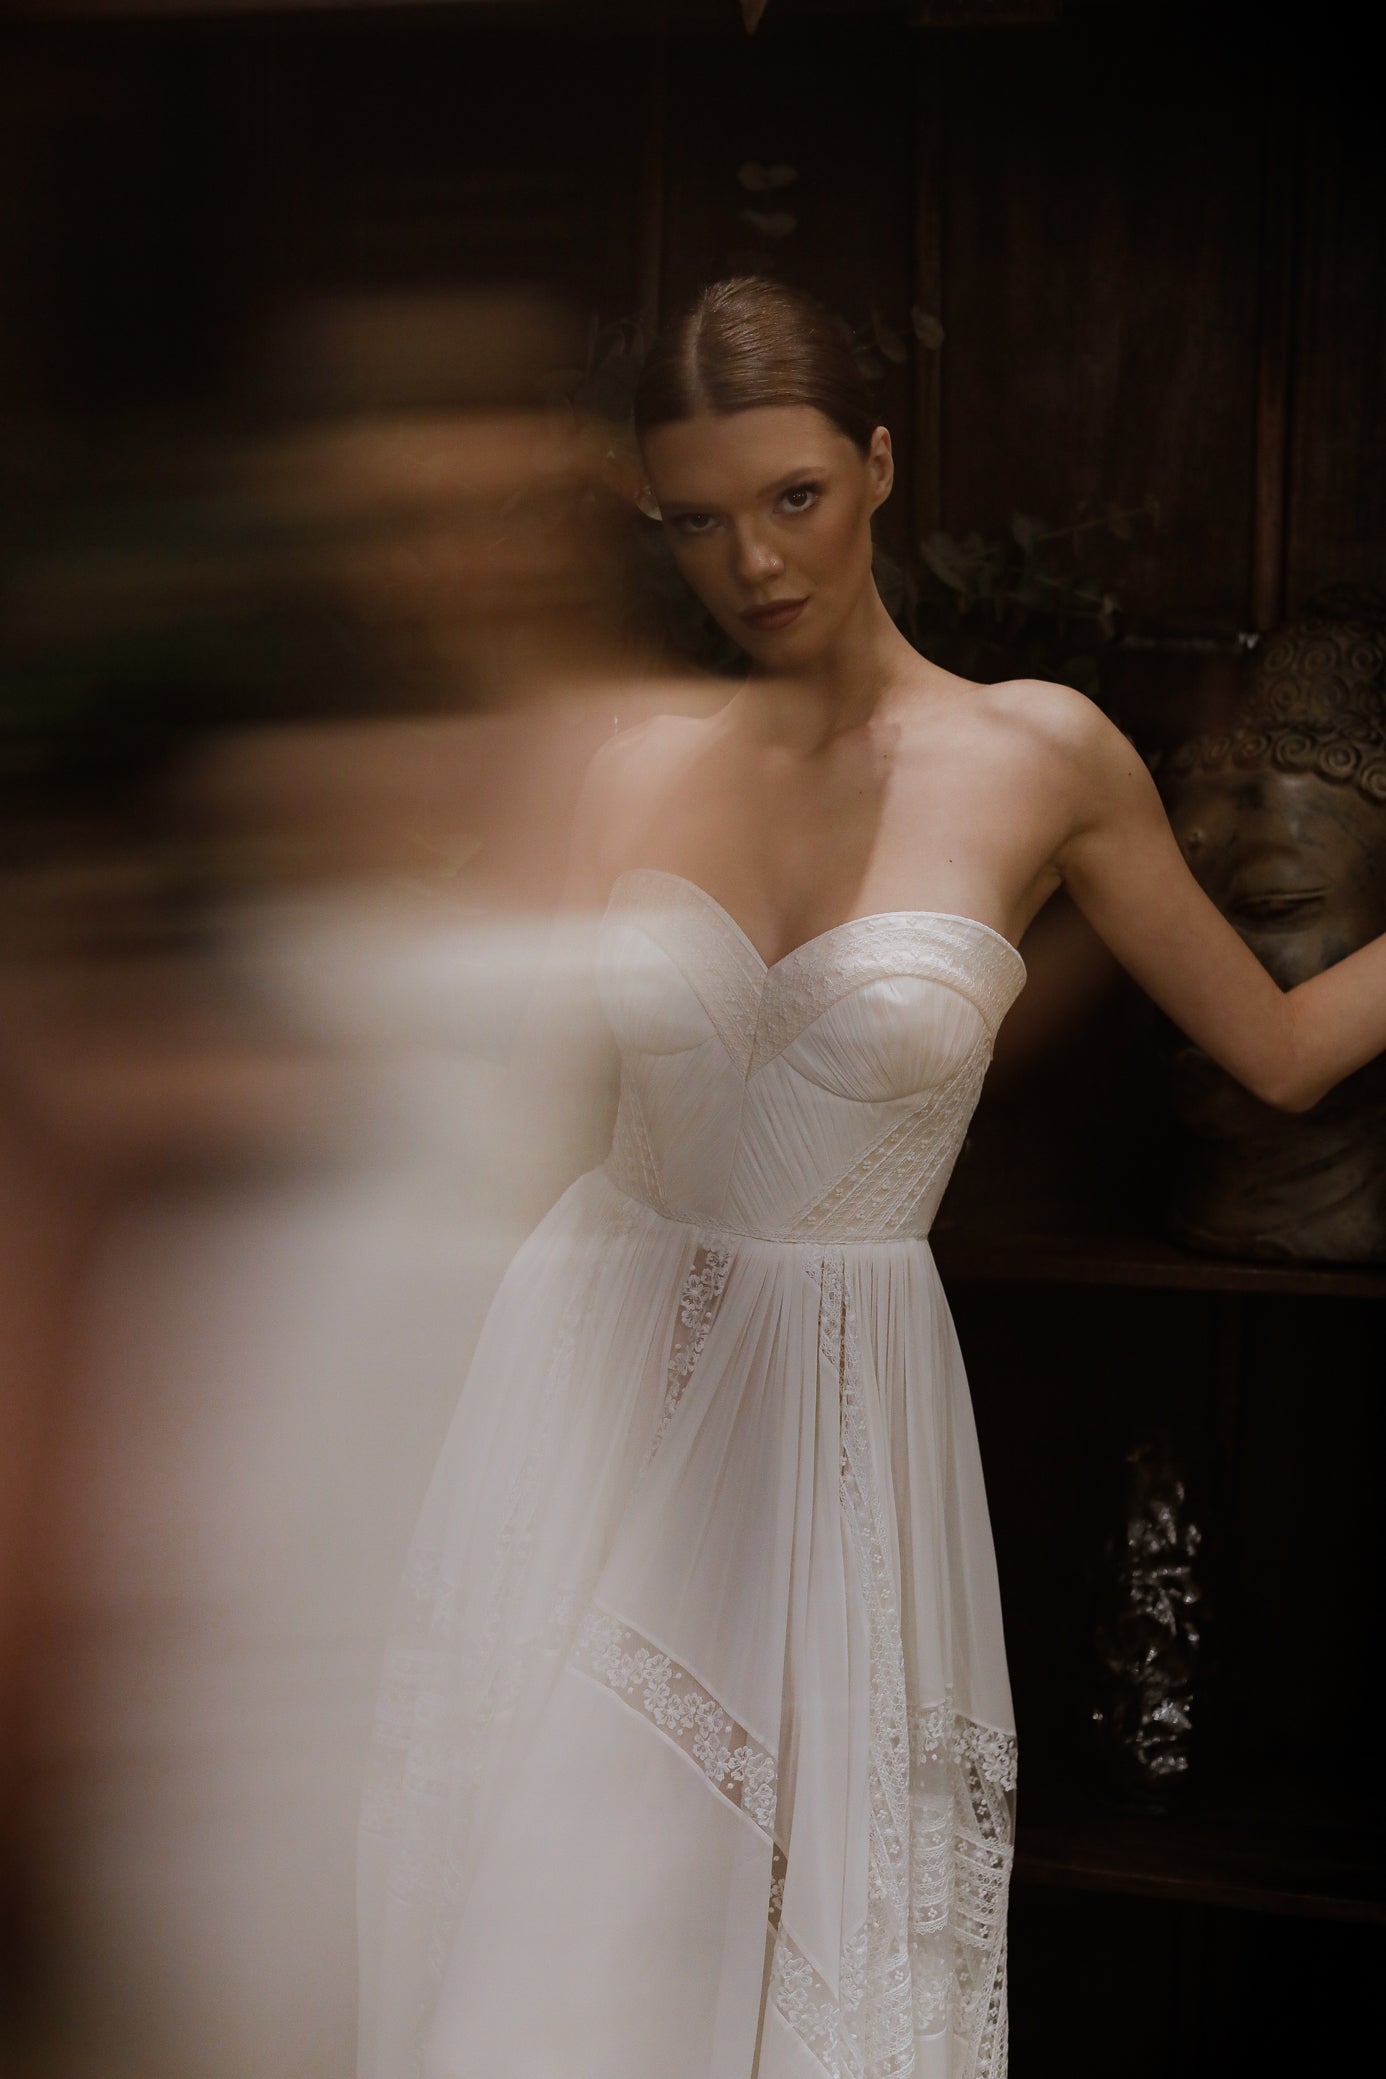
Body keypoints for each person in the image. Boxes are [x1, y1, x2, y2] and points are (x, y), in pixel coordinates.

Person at [356, 277, 1386, 2079]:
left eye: (794, 498)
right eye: (696, 521)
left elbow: (1284, 1050)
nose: (753, 562)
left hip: (832, 1421)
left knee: (796, 1962)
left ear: (881, 467)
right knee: (538, 1961)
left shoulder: (1041, 754)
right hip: (586, 1394)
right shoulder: (629, 762)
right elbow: (506, 1109)